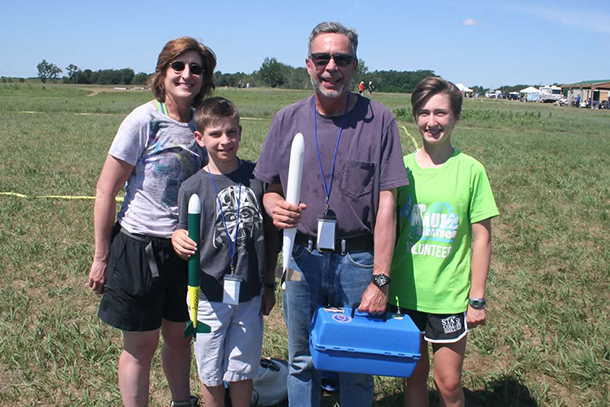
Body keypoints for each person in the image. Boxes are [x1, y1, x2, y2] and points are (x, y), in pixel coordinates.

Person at [254, 21, 409, 407]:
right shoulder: (287, 120)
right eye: (322, 58)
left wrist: (381, 278)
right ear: (308, 64)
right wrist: (276, 209)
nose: (331, 67)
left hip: (357, 260)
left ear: (355, 65)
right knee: (301, 359)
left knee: (356, 363)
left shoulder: (380, 121)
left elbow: (387, 204)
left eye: (341, 58)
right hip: (300, 257)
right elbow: (267, 188)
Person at [87, 36, 216, 407]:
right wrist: (101, 256)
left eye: (196, 68)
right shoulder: (143, 119)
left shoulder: (203, 123)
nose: (187, 74)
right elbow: (105, 190)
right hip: (139, 247)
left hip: (186, 249)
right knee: (140, 345)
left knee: (180, 338)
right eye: (178, 66)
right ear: (163, 73)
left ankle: (182, 401)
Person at [387, 77, 499, 407]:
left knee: (448, 382)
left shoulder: (471, 171)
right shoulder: (400, 168)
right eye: (423, 113)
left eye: (441, 113)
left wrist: (476, 298)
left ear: (456, 117)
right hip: (404, 294)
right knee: (414, 377)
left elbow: (482, 238)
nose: (431, 122)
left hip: (449, 297)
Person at [171, 97, 278, 407]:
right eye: (216, 134)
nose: (225, 141)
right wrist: (177, 238)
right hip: (208, 298)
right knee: (211, 371)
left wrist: (268, 284)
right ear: (199, 137)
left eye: (231, 132)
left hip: (249, 295)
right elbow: (181, 231)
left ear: (240, 133)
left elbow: (271, 237)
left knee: (243, 369)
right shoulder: (191, 188)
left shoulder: (258, 178)